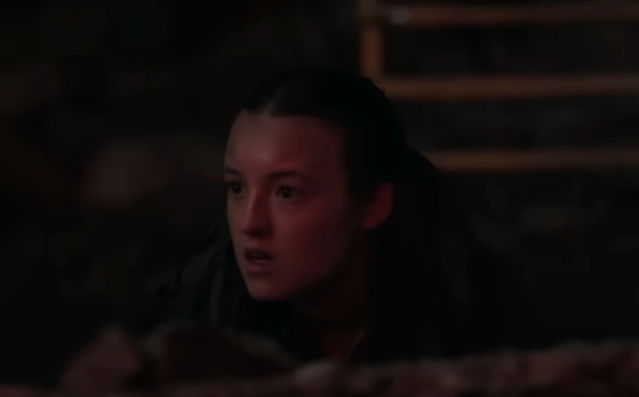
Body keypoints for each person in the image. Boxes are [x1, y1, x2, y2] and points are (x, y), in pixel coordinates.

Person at [155, 66, 541, 363]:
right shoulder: (204, 312)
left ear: (373, 204)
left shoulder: (474, 314)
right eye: (237, 187)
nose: (250, 223)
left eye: (286, 192)